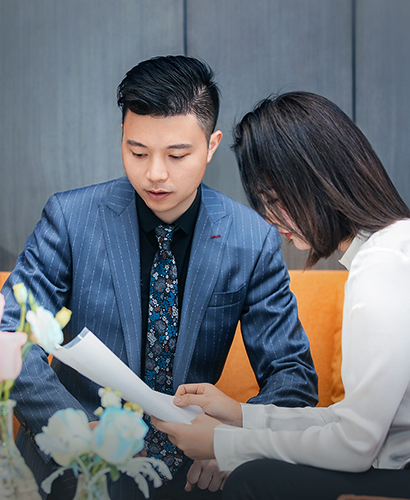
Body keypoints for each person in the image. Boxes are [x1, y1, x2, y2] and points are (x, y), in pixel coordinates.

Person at [0, 59, 318, 500]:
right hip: (71, 469)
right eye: (137, 152)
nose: (155, 173)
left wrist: (237, 445)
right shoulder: (70, 219)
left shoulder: (252, 239)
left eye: (177, 155)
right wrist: (70, 427)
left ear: (211, 146)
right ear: (122, 138)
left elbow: (292, 374)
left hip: (193, 473)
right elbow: (10, 334)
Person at [152, 91, 410, 499]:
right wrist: (241, 415)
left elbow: (356, 444)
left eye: (274, 200)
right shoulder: (391, 249)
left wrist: (225, 443)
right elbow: (352, 421)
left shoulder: (382, 266)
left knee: (254, 481)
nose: (271, 221)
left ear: (321, 180)